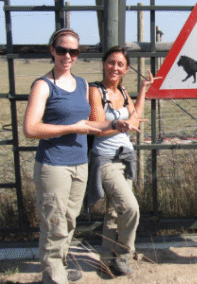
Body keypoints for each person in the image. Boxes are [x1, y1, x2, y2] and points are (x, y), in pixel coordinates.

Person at [23, 29, 133, 284]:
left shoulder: (82, 84)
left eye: (73, 51)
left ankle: (58, 266)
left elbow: (91, 123)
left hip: (79, 164)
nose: (68, 55)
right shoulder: (43, 85)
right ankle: (53, 277)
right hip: (53, 165)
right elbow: (30, 129)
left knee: (69, 221)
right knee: (54, 225)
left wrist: (117, 126)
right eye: (62, 50)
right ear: (52, 50)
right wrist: (73, 128)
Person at [86, 46, 160, 275]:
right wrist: (119, 125)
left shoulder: (124, 93)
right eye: (111, 62)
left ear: (126, 69)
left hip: (126, 158)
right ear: (103, 64)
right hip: (106, 160)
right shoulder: (95, 91)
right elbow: (98, 127)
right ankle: (125, 255)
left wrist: (143, 89)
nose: (114, 68)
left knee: (115, 212)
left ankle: (108, 259)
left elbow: (135, 117)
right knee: (131, 208)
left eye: (120, 64)